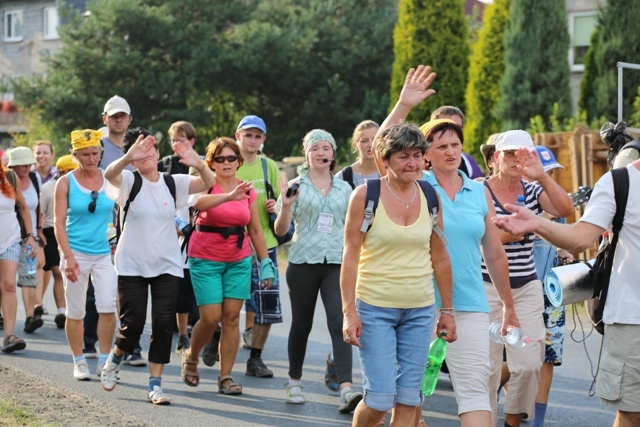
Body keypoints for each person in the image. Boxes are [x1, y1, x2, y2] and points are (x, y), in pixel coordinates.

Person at [493, 157, 640, 427]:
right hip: (631, 320)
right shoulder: (621, 182)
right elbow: (580, 236)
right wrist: (536, 224)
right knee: (632, 413)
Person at [341, 118, 457, 426]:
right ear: (384, 160)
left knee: (409, 399)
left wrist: (447, 310)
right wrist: (349, 312)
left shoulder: (430, 197)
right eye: (403, 156)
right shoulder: (366, 196)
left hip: (420, 310)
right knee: (379, 399)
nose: (413, 162)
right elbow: (350, 256)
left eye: (417, 155)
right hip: (375, 309)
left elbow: (441, 257)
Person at [100, 127, 215, 404]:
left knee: (164, 325)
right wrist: (128, 157)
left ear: (158, 152)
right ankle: (114, 359)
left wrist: (199, 163)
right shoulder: (128, 180)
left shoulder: (172, 182)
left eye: (149, 148)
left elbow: (207, 183)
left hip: (167, 264)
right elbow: (109, 175)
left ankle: (155, 384)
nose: (145, 154)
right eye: (138, 150)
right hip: (131, 265)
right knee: (133, 325)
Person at [482, 130, 574, 427]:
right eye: (509, 153)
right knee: (489, 366)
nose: (514, 159)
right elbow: (470, 235)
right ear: (495, 157)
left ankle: (512, 422)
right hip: (486, 287)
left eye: (521, 154)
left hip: (526, 286)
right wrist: (506, 235)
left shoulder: (533, 190)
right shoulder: (477, 189)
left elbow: (565, 210)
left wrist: (542, 176)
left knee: (530, 364)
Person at [274, 129, 362, 413]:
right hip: (302, 264)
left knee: (339, 322)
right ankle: (294, 381)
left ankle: (346, 388)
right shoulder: (295, 186)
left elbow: (353, 229)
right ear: (307, 154)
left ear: (333, 154)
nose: (321, 153)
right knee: (302, 324)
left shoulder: (346, 189)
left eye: (326, 148)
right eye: (315, 148)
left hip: (337, 263)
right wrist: (286, 206)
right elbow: (280, 230)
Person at [181, 137, 276, 396]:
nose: (226, 163)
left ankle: (225, 377)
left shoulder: (247, 190)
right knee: (211, 318)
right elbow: (197, 203)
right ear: (211, 162)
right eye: (219, 159)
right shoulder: (205, 184)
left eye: (231, 158)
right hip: (205, 257)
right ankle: (191, 356)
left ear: (239, 161)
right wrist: (228, 196)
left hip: (238, 258)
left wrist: (265, 260)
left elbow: (255, 228)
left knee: (232, 318)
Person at [53, 129, 118, 381]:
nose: (91, 158)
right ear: (75, 155)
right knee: (76, 311)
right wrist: (67, 257)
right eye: (85, 154)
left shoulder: (109, 178)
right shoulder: (66, 182)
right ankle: (78, 359)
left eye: (95, 153)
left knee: (107, 307)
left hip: (104, 252)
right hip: (75, 251)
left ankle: (104, 359)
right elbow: (58, 224)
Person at [233, 115, 283, 378]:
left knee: (267, 306)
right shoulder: (228, 162)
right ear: (238, 135)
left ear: (263, 139)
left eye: (257, 136)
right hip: (230, 245)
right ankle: (213, 343)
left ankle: (255, 358)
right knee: (226, 305)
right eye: (248, 135)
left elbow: (280, 200)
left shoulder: (269, 166)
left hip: (265, 244)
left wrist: (277, 206)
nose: (252, 140)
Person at [529, 146, 574, 427]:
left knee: (548, 355)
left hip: (551, 294)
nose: (546, 177)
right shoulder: (514, 201)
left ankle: (538, 421)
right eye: (541, 172)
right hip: (518, 292)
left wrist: (566, 250)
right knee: (519, 357)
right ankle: (492, 396)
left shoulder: (559, 208)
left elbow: (567, 239)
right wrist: (539, 222)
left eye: (550, 172)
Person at [157, 121, 200, 354]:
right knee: (180, 289)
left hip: (199, 228)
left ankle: (200, 328)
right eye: (174, 140)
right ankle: (182, 334)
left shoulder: (203, 164)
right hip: (172, 229)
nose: (177, 144)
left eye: (182, 139)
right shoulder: (164, 165)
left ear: (192, 141)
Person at [7, 147, 46, 334]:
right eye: (22, 164)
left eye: (28, 163)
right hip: (9, 235)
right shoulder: (6, 180)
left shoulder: (35, 179)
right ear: (12, 165)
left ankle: (30, 316)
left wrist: (38, 231)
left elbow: (37, 207)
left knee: (29, 274)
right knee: (5, 281)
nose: (26, 167)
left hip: (30, 237)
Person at [0, 162, 36, 352]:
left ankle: (9, 336)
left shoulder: (10, 177)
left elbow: (22, 207)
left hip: (10, 240)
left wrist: (30, 235)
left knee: (8, 285)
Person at [40, 154, 77, 329]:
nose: (69, 174)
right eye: (66, 171)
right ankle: (62, 311)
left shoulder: (82, 186)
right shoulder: (48, 188)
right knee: (57, 271)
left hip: (73, 233)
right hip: (50, 232)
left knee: (74, 273)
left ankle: (73, 310)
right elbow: (40, 213)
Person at [32, 140, 60, 317]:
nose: (41, 156)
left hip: (51, 226)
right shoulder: (28, 173)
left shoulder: (59, 175)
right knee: (37, 265)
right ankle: (36, 304)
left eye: (45, 152)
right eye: (38, 153)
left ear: (52, 155)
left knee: (48, 266)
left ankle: (38, 302)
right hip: (32, 226)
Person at [430, 106, 483, 180]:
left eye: (457, 127)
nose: (452, 131)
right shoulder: (417, 165)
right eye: (445, 126)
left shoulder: (469, 163)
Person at [335, 120, 381, 188]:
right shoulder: (343, 177)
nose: (371, 145)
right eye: (364, 141)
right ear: (355, 146)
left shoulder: (391, 173)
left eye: (374, 139)